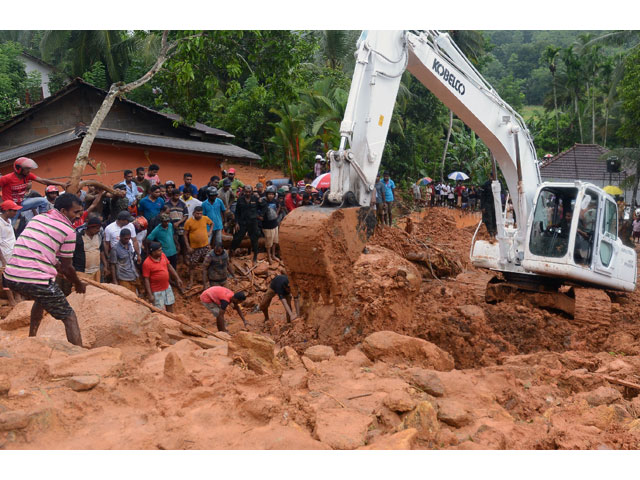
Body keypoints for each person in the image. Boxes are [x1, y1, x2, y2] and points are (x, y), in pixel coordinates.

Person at [3, 193, 86, 346]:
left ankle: (32, 337)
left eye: (80, 212)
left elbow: (38, 248)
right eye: (75, 212)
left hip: (10, 276)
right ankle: (79, 355)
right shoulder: (68, 231)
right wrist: (78, 284)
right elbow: (68, 268)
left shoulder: (38, 218)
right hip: (35, 278)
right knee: (69, 316)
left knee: (41, 298)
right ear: (63, 211)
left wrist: (57, 266)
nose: (78, 216)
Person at [0, 157, 67, 225]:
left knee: (43, 201)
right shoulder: (7, 178)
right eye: (27, 169)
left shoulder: (27, 176)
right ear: (19, 169)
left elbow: (42, 181)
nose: (29, 171)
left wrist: (61, 184)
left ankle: (42, 221)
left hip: (22, 203)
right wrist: (2, 203)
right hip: (11, 208)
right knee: (10, 225)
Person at [142, 241, 183, 312]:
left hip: (167, 287)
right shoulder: (147, 263)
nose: (161, 251)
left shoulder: (163, 256)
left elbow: (169, 266)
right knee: (159, 311)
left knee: (170, 304)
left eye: (161, 250)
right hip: (157, 291)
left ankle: (171, 320)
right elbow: (146, 279)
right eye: (159, 250)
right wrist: (150, 294)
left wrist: (177, 278)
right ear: (153, 252)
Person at [230, 185, 261, 264]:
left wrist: (260, 216)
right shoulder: (240, 200)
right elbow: (237, 212)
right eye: (246, 192)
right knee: (237, 238)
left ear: (251, 192)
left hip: (253, 222)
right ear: (243, 191)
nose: (247, 193)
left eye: (249, 192)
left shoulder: (256, 199)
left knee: (254, 239)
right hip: (242, 222)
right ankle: (230, 253)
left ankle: (255, 257)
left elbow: (262, 207)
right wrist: (236, 222)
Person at [183, 206, 213, 287]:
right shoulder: (188, 222)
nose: (199, 215)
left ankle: (208, 279)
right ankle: (191, 281)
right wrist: (188, 247)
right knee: (192, 264)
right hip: (195, 248)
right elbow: (185, 235)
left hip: (205, 246)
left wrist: (210, 232)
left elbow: (212, 224)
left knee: (208, 262)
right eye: (197, 213)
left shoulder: (205, 218)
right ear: (193, 213)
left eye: (200, 213)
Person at [73, 215, 107, 283]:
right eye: (96, 228)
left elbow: (101, 251)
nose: (98, 230)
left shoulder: (99, 236)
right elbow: (72, 254)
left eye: (99, 228)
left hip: (96, 271)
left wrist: (105, 265)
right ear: (90, 227)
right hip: (82, 271)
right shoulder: (79, 237)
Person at [0, 200, 20, 305]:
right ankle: (12, 300)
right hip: (5, 254)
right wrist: (3, 260)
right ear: (7, 211)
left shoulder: (9, 221)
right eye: (14, 211)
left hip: (13, 252)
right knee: (6, 277)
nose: (16, 213)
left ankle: (17, 296)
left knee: (16, 274)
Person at [109, 228, 140, 293]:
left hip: (133, 275)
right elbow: (112, 265)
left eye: (129, 238)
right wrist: (114, 280)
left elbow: (131, 260)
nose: (127, 240)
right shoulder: (115, 249)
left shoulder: (130, 245)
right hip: (123, 278)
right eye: (125, 238)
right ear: (120, 237)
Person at [261, 186, 280, 264]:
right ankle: (269, 256)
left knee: (275, 241)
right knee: (269, 243)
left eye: (272, 194)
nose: (271, 195)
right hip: (267, 225)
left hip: (274, 224)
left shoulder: (275, 201)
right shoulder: (263, 201)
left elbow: (279, 206)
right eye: (269, 194)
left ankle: (273, 255)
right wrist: (260, 217)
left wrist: (276, 214)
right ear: (266, 194)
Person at [481, 173, 497, 238]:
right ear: (490, 176)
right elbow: (482, 196)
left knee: (495, 217)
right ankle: (490, 232)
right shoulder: (486, 184)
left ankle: (495, 230)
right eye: (492, 177)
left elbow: (503, 192)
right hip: (487, 203)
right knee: (489, 217)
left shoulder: (497, 183)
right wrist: (483, 207)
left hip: (495, 203)